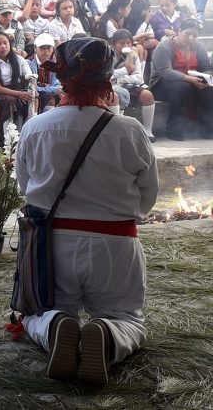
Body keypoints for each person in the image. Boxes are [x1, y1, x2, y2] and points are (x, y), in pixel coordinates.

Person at [16, 37, 157, 386]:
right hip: (115, 244)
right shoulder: (130, 130)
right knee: (126, 318)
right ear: (108, 79)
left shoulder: (34, 127)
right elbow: (148, 197)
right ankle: (108, 334)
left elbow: (26, 187)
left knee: (36, 313)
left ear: (62, 79)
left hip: (52, 245)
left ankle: (54, 327)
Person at [150, 18, 213, 140]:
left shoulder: (198, 47)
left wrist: (205, 78)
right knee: (181, 87)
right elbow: (166, 71)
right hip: (162, 85)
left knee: (208, 89)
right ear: (179, 31)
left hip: (192, 82)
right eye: (187, 34)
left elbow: (206, 67)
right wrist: (189, 79)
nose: (190, 38)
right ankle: (174, 129)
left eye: (194, 36)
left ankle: (207, 129)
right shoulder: (164, 47)